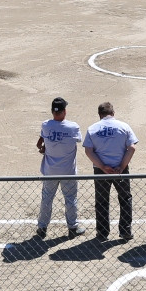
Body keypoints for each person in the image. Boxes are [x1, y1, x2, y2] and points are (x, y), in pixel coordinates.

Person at [84, 102, 137, 239]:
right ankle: (125, 230)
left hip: (100, 171)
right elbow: (132, 148)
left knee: (101, 200)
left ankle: (102, 233)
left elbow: (88, 151)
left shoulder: (92, 129)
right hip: (120, 169)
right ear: (113, 113)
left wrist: (102, 167)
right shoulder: (124, 126)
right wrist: (122, 167)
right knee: (125, 198)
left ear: (99, 114)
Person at [36, 97, 83, 238]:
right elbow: (78, 140)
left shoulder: (46, 125)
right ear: (64, 111)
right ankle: (72, 227)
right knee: (70, 198)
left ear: (52, 111)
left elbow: (40, 143)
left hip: (50, 171)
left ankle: (42, 228)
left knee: (47, 198)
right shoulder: (73, 127)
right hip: (68, 171)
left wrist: (46, 147)